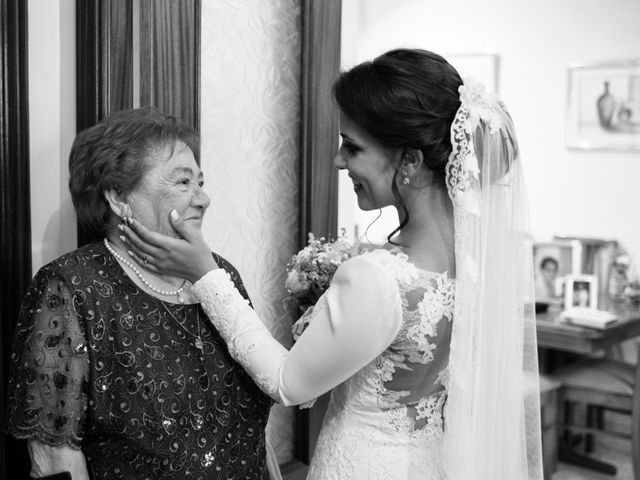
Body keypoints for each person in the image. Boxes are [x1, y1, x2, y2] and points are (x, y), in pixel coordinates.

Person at [122, 49, 543, 479]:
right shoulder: (476, 263)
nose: (339, 160)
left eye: (353, 147)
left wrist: (206, 274)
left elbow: (287, 382)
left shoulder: (378, 278)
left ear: (411, 161)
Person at [6, 108, 280, 480]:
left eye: (200, 182)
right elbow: (53, 458)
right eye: (183, 183)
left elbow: (255, 431)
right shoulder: (72, 286)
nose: (203, 199)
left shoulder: (218, 273)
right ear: (119, 196)